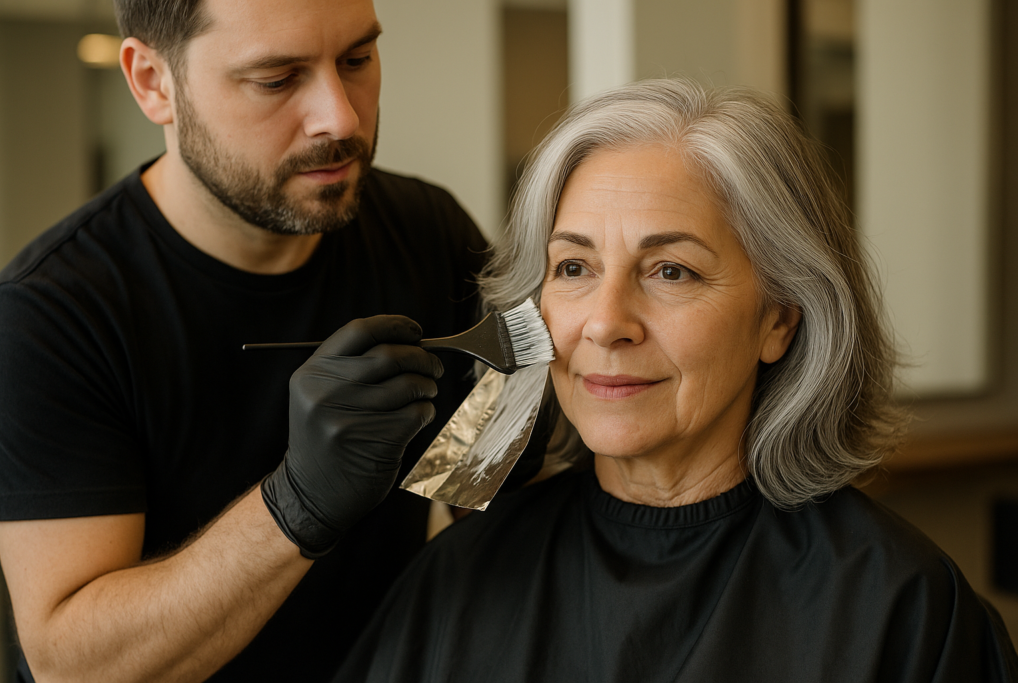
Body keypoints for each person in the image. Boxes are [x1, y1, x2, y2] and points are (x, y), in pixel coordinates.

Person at [333, 78, 1018, 682]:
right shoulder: (459, 577)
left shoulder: (904, 609)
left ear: (779, 318)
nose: (606, 324)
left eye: (671, 271)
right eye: (574, 267)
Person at [0, 0, 493, 681]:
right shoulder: (51, 315)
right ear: (152, 83)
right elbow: (73, 667)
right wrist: (297, 504)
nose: (340, 117)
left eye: (356, 60)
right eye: (277, 78)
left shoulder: (427, 230)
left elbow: (486, 493)